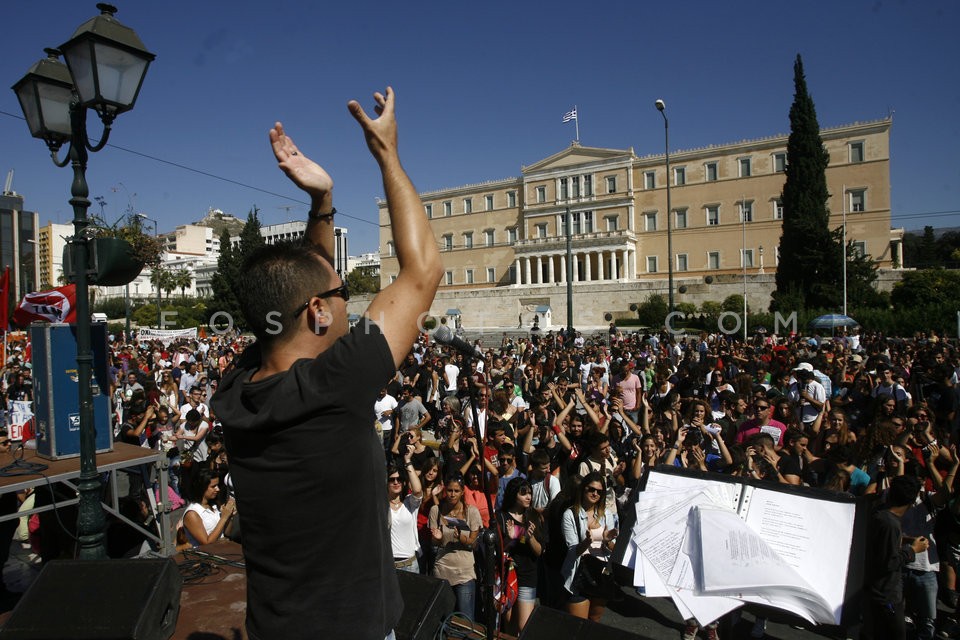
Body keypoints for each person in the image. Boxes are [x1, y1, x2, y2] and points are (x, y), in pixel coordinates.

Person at [211, 87, 443, 640]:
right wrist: (386, 153)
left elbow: (295, 292)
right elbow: (423, 270)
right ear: (317, 311)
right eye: (342, 296)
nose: (349, 303)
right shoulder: (335, 383)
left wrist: (322, 203)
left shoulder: (238, 386)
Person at [863, 474, 929, 640]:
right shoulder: (890, 524)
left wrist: (904, 540)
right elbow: (889, 562)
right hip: (885, 594)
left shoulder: (880, 514)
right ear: (912, 501)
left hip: (875, 591)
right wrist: (913, 550)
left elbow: (882, 545)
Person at [429, 475, 482, 619]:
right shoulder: (436, 510)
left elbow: (473, 543)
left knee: (465, 619)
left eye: (456, 491)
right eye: (450, 490)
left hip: (464, 572)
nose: (452, 494)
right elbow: (435, 543)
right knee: (444, 620)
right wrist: (437, 538)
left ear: (462, 492)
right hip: (442, 570)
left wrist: (461, 538)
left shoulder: (471, 512)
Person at [180, 467, 236, 548]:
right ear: (202, 487)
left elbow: (226, 533)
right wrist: (224, 517)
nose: (218, 489)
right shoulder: (192, 513)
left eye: (217, 485)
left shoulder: (214, 505)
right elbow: (206, 543)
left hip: (222, 549)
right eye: (213, 486)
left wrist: (229, 517)